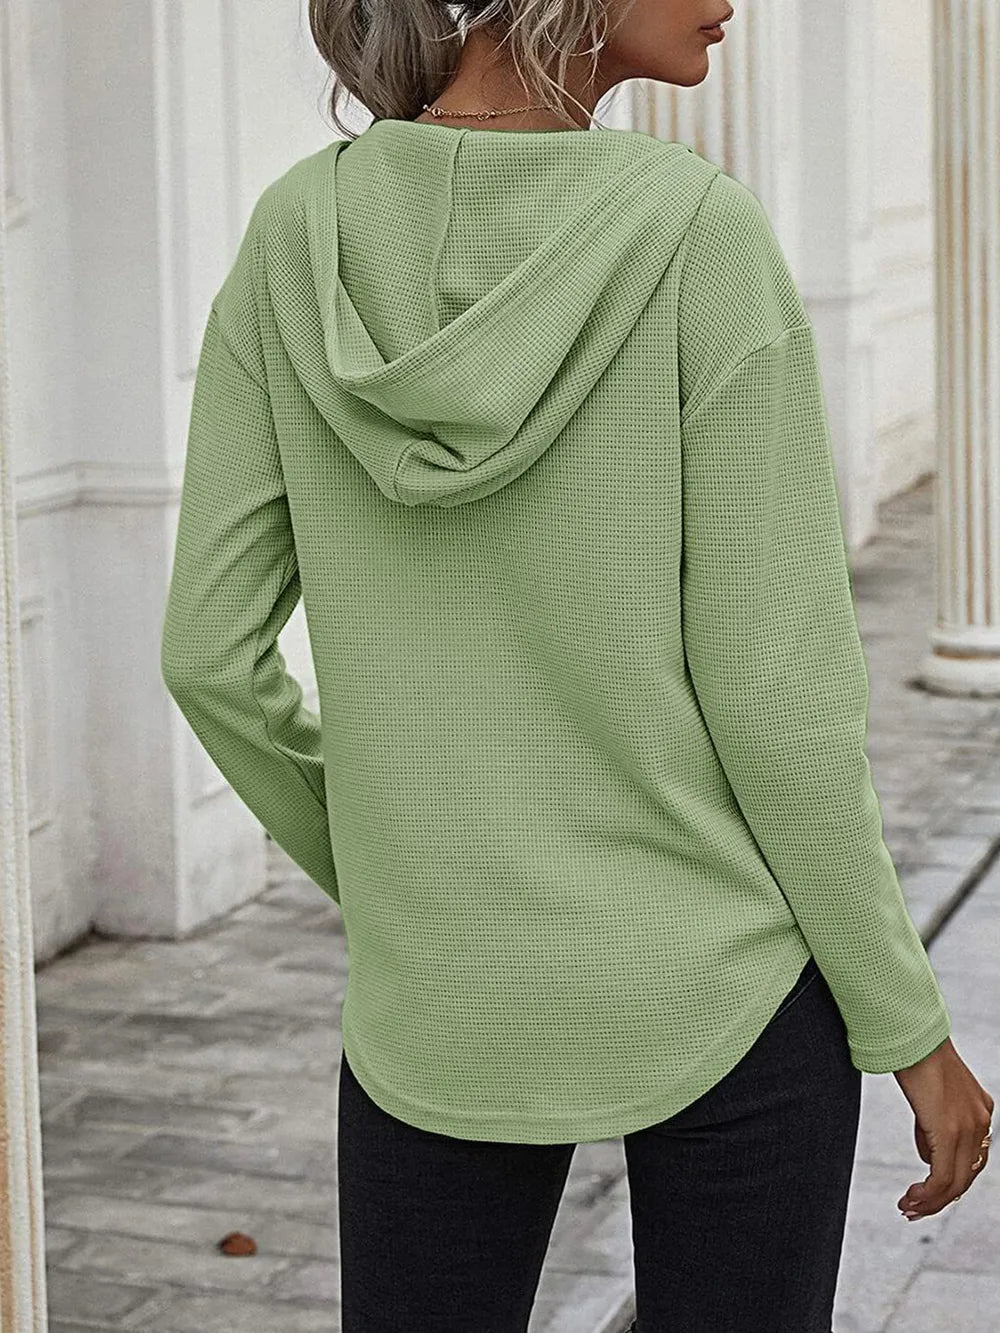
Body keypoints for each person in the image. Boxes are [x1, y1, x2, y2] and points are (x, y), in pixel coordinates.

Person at [159, 1, 994, 1328]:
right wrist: (908, 1023)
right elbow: (778, 702)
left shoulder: (292, 242)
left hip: (439, 997)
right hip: (723, 981)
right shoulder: (698, 238)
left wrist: (404, 875)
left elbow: (209, 655)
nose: (728, 2)